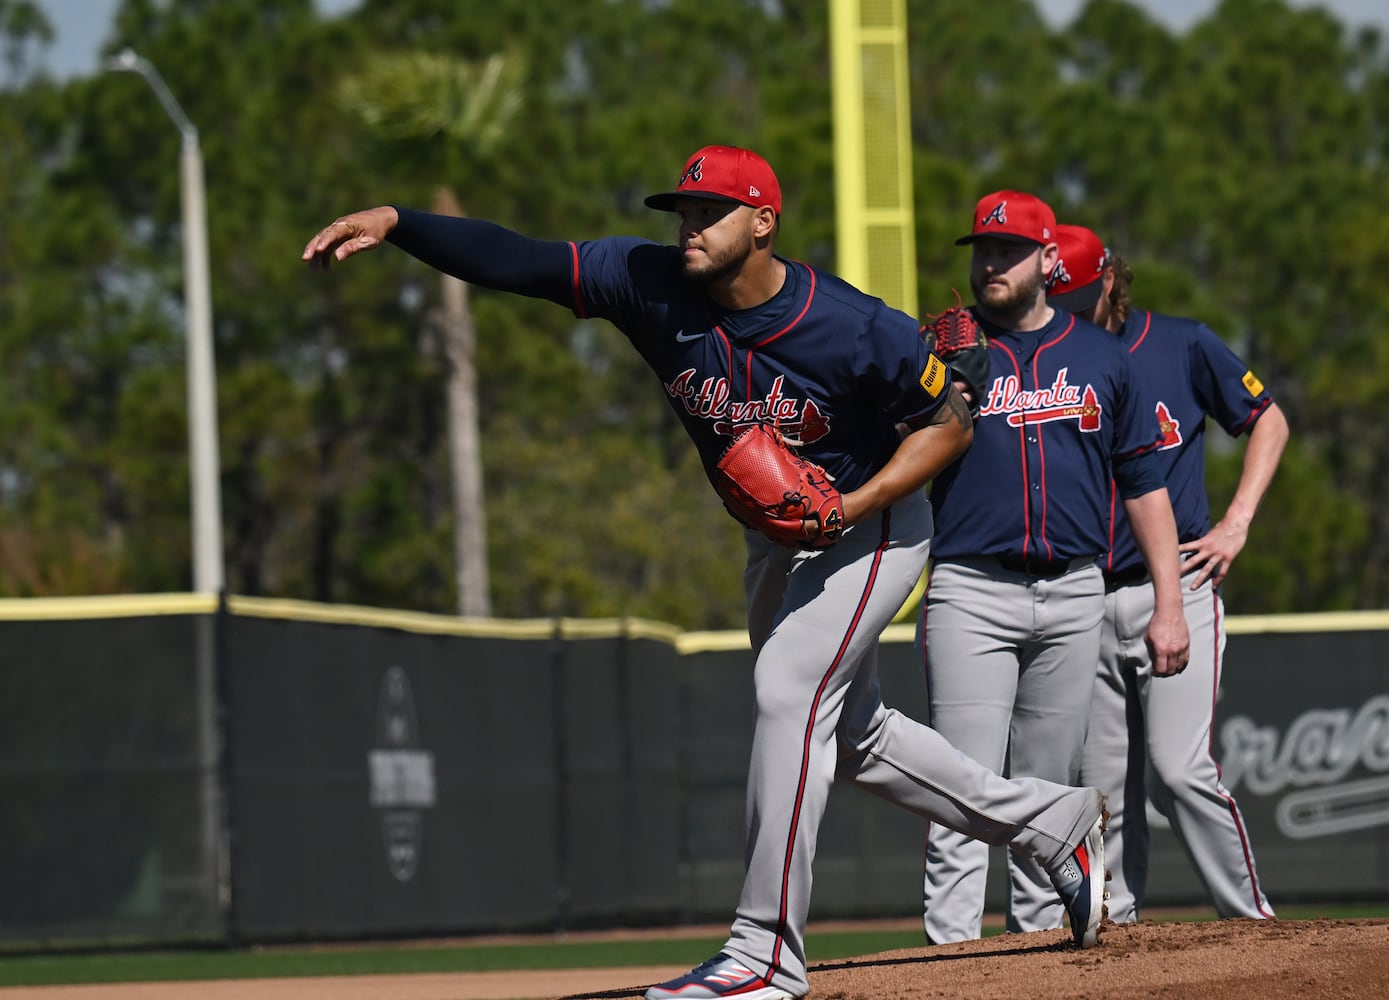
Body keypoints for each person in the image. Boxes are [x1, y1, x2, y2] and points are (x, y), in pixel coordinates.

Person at [302, 145, 1112, 1000]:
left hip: (870, 521)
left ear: (763, 221)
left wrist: (854, 502)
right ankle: (1050, 825)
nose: (688, 226)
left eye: (709, 211)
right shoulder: (644, 282)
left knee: (785, 691)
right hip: (774, 535)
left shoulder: (848, 323)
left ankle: (765, 954)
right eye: (682, 210)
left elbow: (949, 425)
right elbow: (522, 259)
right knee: (851, 732)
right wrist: (399, 223)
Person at [917, 192, 1191, 944]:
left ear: (1047, 259)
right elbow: (891, 460)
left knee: (1046, 792)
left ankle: (1036, 959)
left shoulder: (1101, 358)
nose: (990, 262)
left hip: (1074, 590)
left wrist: (1169, 603)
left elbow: (1143, 486)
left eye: (1007, 250)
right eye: (981, 250)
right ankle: (948, 963)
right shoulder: (941, 354)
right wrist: (932, 396)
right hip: (971, 588)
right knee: (960, 790)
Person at [1051, 223, 1287, 923]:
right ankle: (1116, 931)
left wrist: (1236, 523)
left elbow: (1266, 419)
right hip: (1085, 591)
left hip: (1174, 582)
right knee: (1103, 790)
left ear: (1107, 284)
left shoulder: (1180, 343)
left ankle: (1251, 921)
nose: (1061, 310)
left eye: (1072, 296)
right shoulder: (1044, 361)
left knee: (1181, 770)